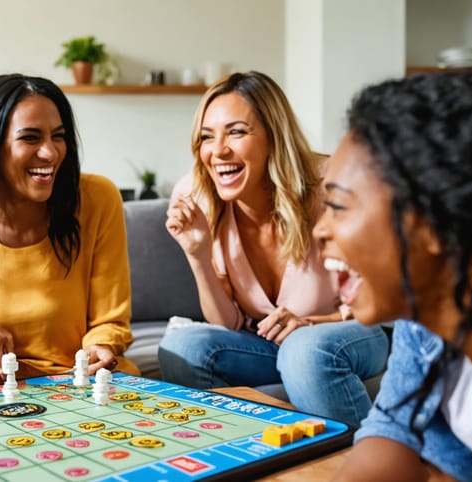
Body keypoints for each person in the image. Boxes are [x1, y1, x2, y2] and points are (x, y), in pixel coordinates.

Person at [157, 71, 389, 425]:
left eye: (236, 131)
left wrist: (309, 323)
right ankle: (244, 452)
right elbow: (229, 323)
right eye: (207, 137)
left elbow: (380, 299)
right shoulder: (197, 196)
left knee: (303, 349)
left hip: (353, 332)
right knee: (181, 347)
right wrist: (198, 254)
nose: (218, 151)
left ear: (273, 137)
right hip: (270, 347)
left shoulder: (334, 186)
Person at [320, 73, 472, 481]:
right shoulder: (424, 315)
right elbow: (390, 430)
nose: (320, 230)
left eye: (338, 206)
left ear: (432, 226)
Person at [0, 74, 139, 395]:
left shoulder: (99, 197)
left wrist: (101, 346)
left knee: (131, 381)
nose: (50, 153)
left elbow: (110, 320)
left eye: (58, 137)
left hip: (77, 374)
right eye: (30, 138)